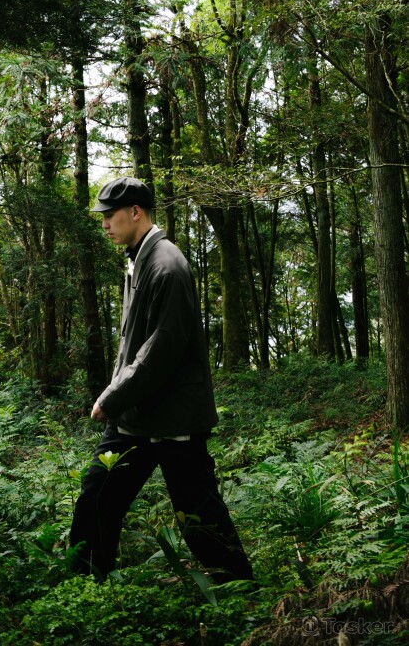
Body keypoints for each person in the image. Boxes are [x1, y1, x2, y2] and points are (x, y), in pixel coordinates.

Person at [70, 176, 253, 584]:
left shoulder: (166, 265)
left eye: (110, 215)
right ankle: (84, 584)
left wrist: (112, 397)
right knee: (97, 495)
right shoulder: (140, 258)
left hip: (172, 419)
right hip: (140, 414)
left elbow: (161, 349)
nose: (104, 224)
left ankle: (238, 587)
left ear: (136, 212)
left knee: (198, 511)